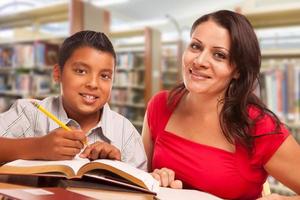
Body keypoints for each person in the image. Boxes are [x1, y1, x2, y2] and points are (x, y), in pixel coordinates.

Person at [142, 10, 300, 199]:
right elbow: (139, 179)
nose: (200, 61)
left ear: (238, 71)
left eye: (219, 55)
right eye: (195, 46)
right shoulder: (160, 105)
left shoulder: (258, 126)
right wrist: (152, 179)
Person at [0, 30, 147, 171]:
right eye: (81, 71)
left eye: (105, 76)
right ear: (58, 74)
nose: (93, 84)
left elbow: (145, 186)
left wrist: (118, 168)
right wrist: (38, 147)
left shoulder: (126, 133)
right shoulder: (29, 113)